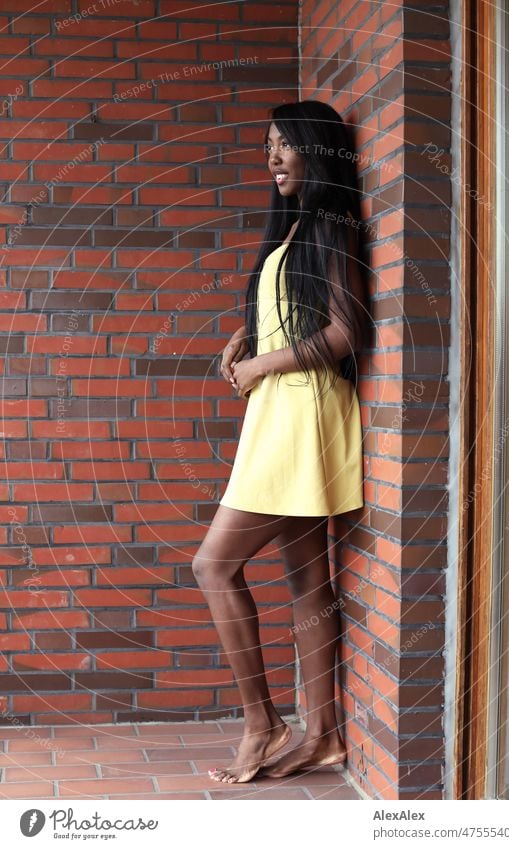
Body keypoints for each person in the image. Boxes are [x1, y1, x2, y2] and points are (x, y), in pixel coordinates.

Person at [192, 99, 371, 784]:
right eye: (266, 145)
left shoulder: (331, 225)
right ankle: (322, 735)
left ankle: (262, 722)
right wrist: (248, 339)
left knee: (213, 566)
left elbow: (343, 333)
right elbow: (293, 315)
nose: (271, 159)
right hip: (280, 414)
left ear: (315, 150)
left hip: (302, 419)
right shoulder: (296, 227)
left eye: (283, 145)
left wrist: (265, 363)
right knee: (308, 586)